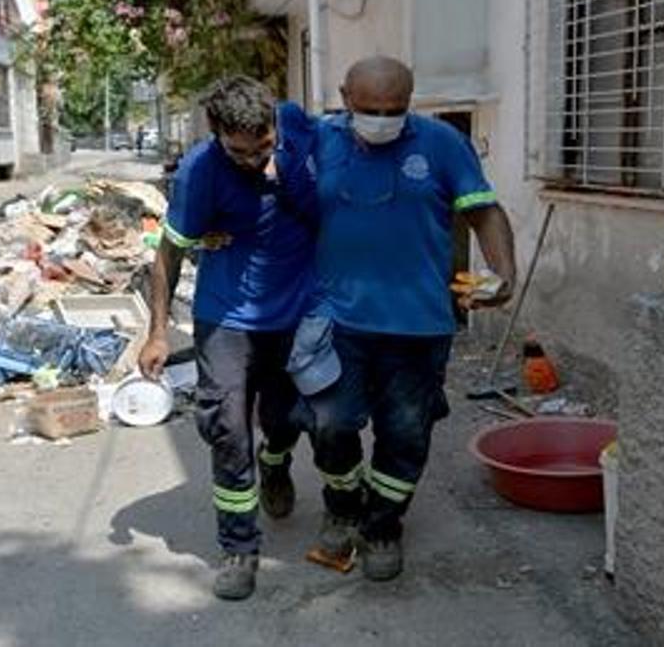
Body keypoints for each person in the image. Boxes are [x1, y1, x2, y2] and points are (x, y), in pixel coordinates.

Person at [294, 55, 517, 582]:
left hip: (418, 325)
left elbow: (484, 210)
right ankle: (343, 505)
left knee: (406, 434)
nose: (381, 120)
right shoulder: (318, 141)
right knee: (329, 425)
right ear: (345, 98)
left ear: (410, 103)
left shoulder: (442, 144)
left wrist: (504, 274)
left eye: (394, 109)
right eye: (369, 109)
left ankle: (382, 525)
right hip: (334, 321)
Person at [138, 75, 318, 601]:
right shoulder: (200, 171)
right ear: (215, 133)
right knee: (227, 428)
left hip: (294, 311)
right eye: (240, 152)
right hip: (226, 316)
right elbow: (168, 253)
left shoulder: (299, 129)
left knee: (285, 418)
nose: (255, 160)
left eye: (264, 147)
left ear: (275, 124)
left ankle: (276, 460)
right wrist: (156, 334)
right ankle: (239, 547)